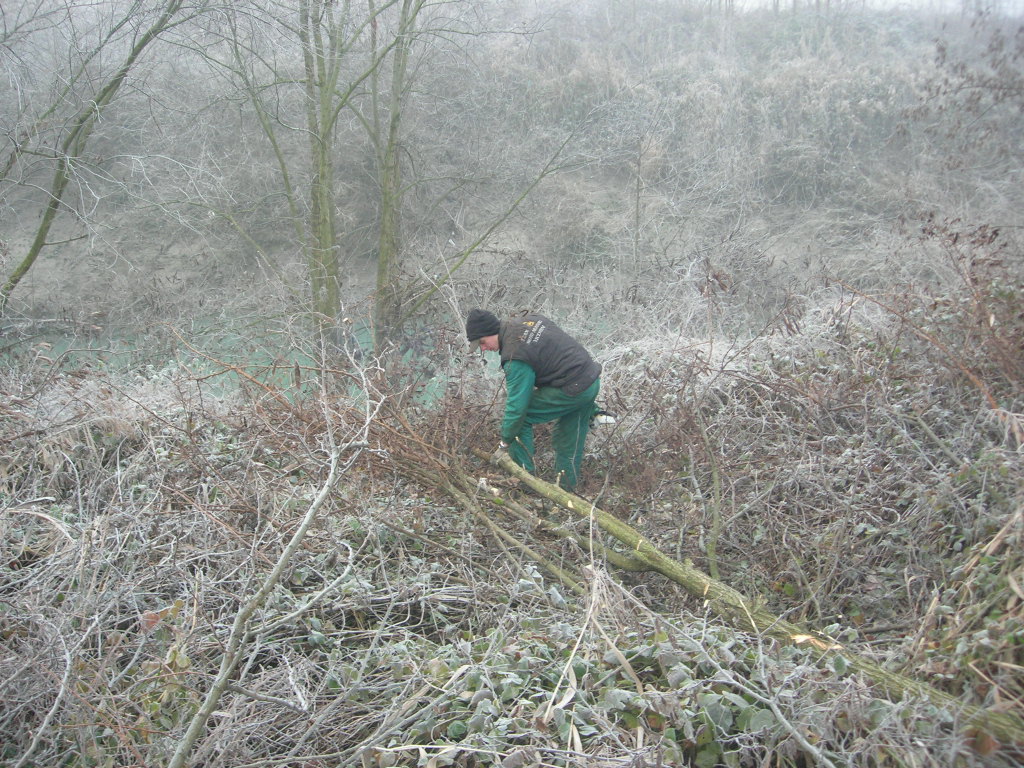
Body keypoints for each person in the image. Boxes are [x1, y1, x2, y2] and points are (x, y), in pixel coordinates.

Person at [466, 308, 602, 492]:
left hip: (574, 389)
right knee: (569, 439)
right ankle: (566, 491)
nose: (483, 348)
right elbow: (558, 354)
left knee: (520, 418)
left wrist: (504, 443)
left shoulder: (515, 357)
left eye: (482, 342)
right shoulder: (528, 320)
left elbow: (517, 407)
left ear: (491, 331)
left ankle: (524, 481)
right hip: (590, 381)